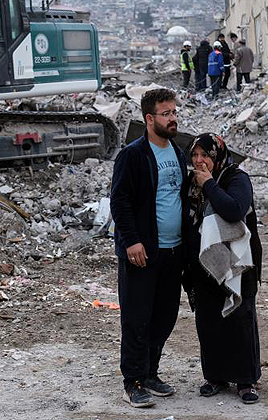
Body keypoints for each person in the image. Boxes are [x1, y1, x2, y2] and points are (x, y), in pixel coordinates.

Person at [110, 88, 188, 408]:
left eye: (174, 112)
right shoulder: (133, 155)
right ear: (149, 119)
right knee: (137, 318)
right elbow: (120, 201)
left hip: (173, 251)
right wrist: (131, 241)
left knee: (164, 317)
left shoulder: (178, 152)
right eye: (166, 113)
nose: (173, 118)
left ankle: (151, 372)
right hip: (142, 252)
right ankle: (134, 381)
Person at [181, 133, 263, 405]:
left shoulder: (236, 178)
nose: (199, 160)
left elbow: (234, 210)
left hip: (237, 263)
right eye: (195, 155)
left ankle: (245, 380)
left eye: (205, 155)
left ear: (217, 156)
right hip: (204, 264)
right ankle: (214, 376)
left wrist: (210, 185)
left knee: (240, 319)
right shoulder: (192, 184)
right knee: (209, 320)